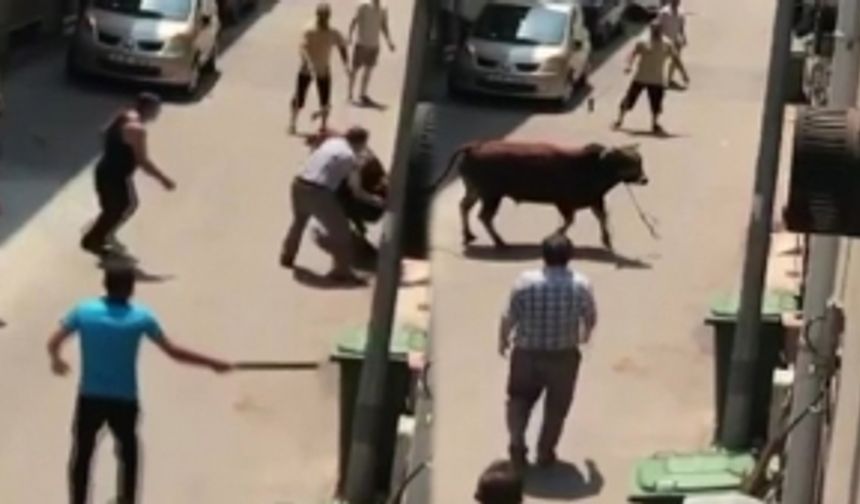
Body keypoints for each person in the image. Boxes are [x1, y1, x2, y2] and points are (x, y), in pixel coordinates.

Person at [47, 265, 233, 504]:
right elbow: (173, 352)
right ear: (131, 288)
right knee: (128, 453)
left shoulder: (83, 311)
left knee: (82, 453)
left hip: (90, 397)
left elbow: (53, 341)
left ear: (105, 284)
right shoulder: (141, 318)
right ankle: (127, 499)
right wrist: (213, 363)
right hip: (125, 399)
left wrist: (56, 360)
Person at [499, 233, 597, 471]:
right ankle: (545, 452)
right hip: (563, 356)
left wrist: (502, 340)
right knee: (556, 408)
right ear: (569, 257)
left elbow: (509, 316)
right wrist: (585, 335)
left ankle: (517, 444)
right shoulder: (581, 285)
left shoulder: (524, 282)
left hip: (526, 354)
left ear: (543, 255)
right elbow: (590, 316)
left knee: (519, 400)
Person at [280, 126, 383, 284]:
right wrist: (375, 200)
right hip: (319, 192)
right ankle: (341, 272)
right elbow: (356, 191)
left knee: (298, 222)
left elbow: (316, 148)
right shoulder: (350, 157)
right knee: (342, 233)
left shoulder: (332, 142)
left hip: (298, 183)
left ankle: (287, 256)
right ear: (360, 143)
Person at [81, 92, 176, 257]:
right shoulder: (137, 129)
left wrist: (115, 150)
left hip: (109, 171)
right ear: (148, 108)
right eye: (156, 110)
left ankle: (101, 233)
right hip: (113, 176)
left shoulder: (124, 115)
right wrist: (163, 179)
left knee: (123, 206)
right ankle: (92, 241)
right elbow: (143, 161)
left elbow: (103, 132)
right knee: (117, 209)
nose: (157, 114)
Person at [612, 21, 689, 135]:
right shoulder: (643, 41)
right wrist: (629, 65)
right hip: (641, 76)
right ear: (650, 30)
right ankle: (619, 120)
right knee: (629, 99)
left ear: (661, 30)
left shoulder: (667, 43)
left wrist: (684, 74)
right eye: (654, 29)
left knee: (656, 104)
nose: (656, 31)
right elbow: (633, 53)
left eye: (658, 29)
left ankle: (655, 124)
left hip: (656, 79)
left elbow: (676, 58)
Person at [289, 2, 349, 134]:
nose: (324, 18)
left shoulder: (333, 32)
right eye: (322, 16)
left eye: (326, 16)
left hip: (323, 69)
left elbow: (342, 47)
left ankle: (323, 125)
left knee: (325, 100)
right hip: (306, 70)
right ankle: (292, 123)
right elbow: (302, 48)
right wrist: (308, 62)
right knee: (299, 98)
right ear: (317, 15)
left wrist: (346, 64)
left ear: (329, 16)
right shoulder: (309, 30)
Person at [347, 0, 395, 105]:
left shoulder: (383, 8)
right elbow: (354, 21)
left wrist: (389, 41)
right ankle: (350, 93)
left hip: (374, 45)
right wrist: (350, 36)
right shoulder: (363, 6)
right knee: (355, 69)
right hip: (361, 43)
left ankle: (362, 94)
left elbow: (384, 26)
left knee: (368, 71)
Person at [657, 0, 687, 86]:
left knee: (675, 60)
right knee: (661, 60)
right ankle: (658, 78)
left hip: (675, 40)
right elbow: (659, 25)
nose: (677, 2)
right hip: (664, 40)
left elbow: (681, 26)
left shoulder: (681, 12)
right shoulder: (664, 12)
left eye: (678, 1)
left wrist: (683, 37)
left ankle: (669, 79)